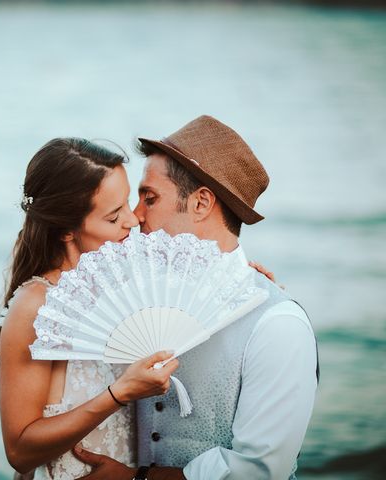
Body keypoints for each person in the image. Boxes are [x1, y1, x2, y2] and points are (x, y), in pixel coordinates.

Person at [72, 115, 319, 480]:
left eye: (149, 198)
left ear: (201, 203)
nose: (136, 217)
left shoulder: (277, 325)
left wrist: (136, 479)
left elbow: (260, 471)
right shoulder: (136, 298)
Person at [0, 138, 180, 480]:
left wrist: (247, 276)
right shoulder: (37, 307)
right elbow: (19, 452)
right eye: (113, 216)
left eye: (127, 203)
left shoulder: (124, 286)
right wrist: (120, 393)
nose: (132, 220)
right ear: (66, 230)